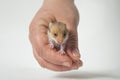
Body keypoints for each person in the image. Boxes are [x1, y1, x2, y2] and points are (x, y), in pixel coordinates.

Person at [29, 0, 82, 71]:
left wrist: (62, 50)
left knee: (64, 47)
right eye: (55, 35)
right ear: (49, 30)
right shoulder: (49, 31)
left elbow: (63, 44)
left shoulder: (65, 33)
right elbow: (50, 40)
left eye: (63, 35)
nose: (60, 40)